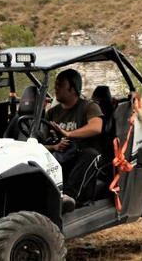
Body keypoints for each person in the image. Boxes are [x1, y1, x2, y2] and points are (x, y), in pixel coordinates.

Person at [46, 69, 104, 206]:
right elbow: (41, 140)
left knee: (90, 154)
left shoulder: (88, 106)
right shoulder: (52, 113)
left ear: (72, 88)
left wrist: (68, 134)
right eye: (55, 84)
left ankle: (68, 197)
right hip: (62, 155)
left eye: (60, 85)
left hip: (83, 157)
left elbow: (96, 127)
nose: (56, 88)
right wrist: (54, 145)